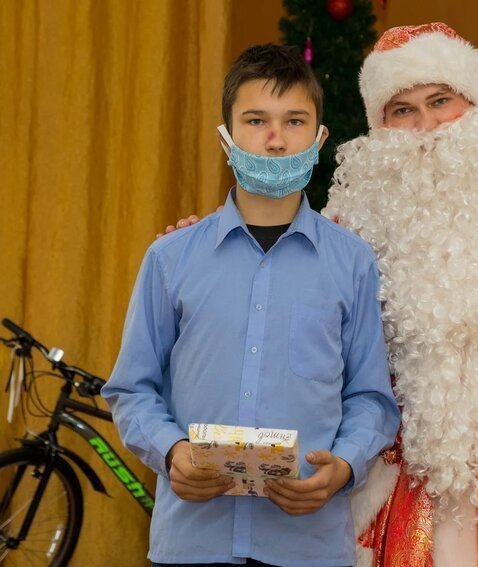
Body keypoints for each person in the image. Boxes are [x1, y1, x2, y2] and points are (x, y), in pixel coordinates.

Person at [168, 24, 478, 567]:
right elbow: (281, 326)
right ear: (380, 126)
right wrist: (202, 249)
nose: (426, 126)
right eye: (402, 110)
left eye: (441, 101)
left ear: (477, 104)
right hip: (396, 511)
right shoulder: (350, 229)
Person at [102, 44, 400, 567]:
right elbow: (132, 388)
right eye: (256, 120)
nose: (276, 139)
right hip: (192, 545)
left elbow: (371, 398)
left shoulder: (352, 262)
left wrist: (344, 467)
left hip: (309, 547)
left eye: (294, 121)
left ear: (319, 137)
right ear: (227, 136)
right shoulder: (170, 258)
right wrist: (172, 452)